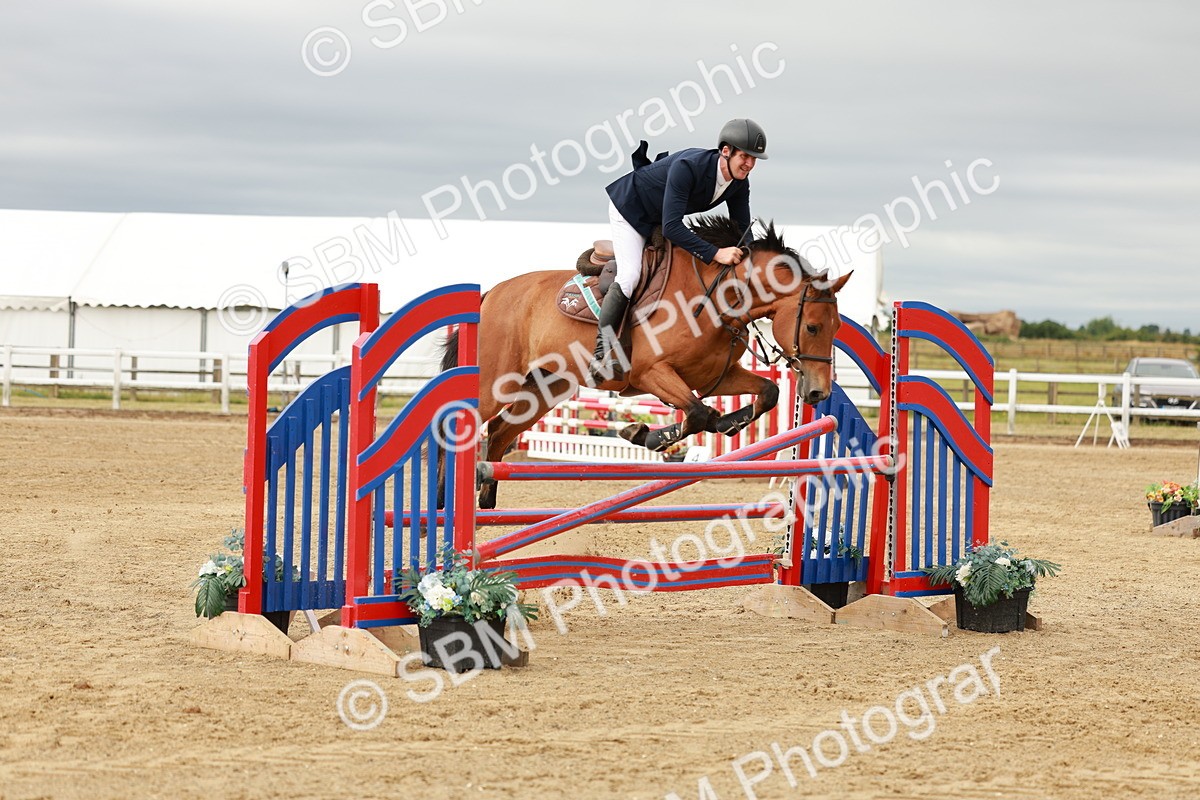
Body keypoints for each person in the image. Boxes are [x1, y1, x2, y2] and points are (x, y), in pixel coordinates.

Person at [589, 118, 768, 379]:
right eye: (745, 156)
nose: (750, 164)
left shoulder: (739, 183)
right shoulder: (689, 167)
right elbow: (673, 228)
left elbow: (743, 231)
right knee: (630, 276)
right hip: (630, 210)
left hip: (659, 218)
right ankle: (600, 355)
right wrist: (716, 253)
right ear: (726, 151)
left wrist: (757, 262)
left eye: (754, 159)